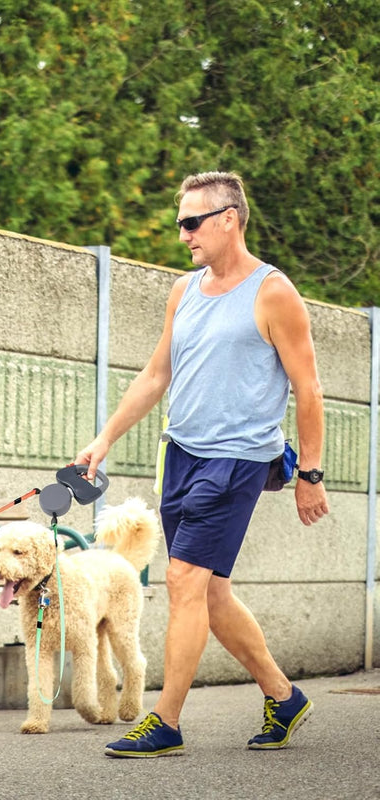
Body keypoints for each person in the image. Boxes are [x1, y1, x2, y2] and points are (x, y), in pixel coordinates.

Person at [74, 171, 329, 758]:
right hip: (181, 454)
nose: (183, 233)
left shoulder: (273, 292)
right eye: (180, 222)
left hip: (238, 458)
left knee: (183, 579)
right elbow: (157, 375)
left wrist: (310, 475)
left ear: (229, 219)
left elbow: (308, 388)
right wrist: (104, 438)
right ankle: (283, 697)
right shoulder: (184, 291)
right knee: (209, 594)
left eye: (192, 222)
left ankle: (165, 722)